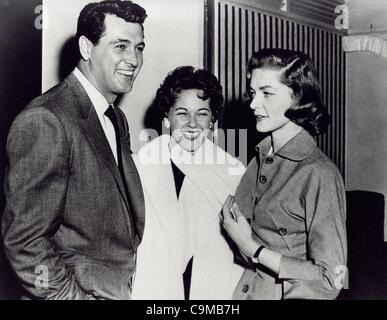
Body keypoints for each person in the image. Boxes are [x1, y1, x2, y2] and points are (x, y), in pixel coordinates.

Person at [2, 0, 147, 300]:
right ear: (86, 47)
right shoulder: (47, 119)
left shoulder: (115, 118)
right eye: (120, 46)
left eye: (139, 47)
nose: (133, 59)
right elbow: (24, 243)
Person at [221, 49, 347, 300]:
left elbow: (332, 278)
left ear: (297, 97)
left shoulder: (318, 172)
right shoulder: (258, 161)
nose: (254, 104)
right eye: (253, 93)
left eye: (267, 93)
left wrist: (252, 249)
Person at [132, 66, 245, 300]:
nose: (192, 123)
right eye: (182, 113)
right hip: (156, 283)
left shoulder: (233, 171)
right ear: (167, 117)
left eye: (202, 114)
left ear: (213, 119)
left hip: (214, 286)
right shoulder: (142, 165)